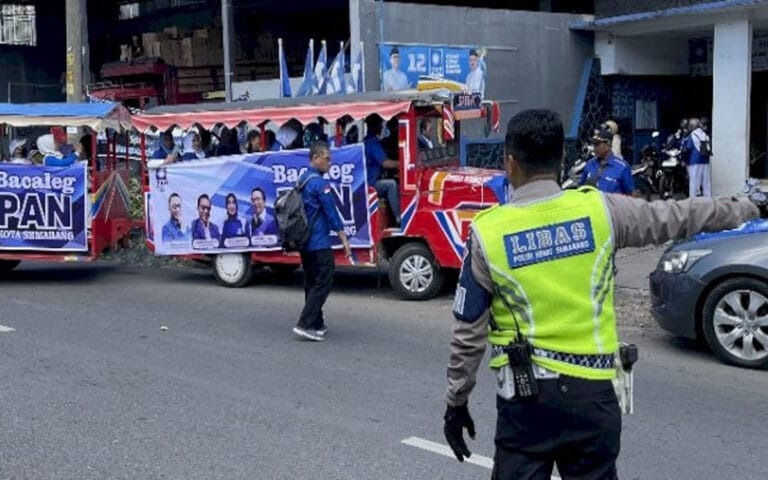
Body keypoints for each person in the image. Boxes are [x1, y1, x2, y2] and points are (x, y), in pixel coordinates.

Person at [443, 108, 760, 480]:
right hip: (594, 398)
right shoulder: (600, 210)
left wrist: (456, 401)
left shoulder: (487, 233)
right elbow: (677, 215)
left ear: (509, 162)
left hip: (526, 405)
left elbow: (468, 333)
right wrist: (744, 207)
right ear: (562, 159)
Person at [292, 141, 353, 342]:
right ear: (315, 158)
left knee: (311, 283)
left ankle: (317, 324)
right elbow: (331, 213)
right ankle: (304, 323)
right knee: (324, 282)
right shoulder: (319, 183)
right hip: (318, 242)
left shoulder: (302, 179)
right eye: (326, 159)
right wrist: (344, 239)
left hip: (304, 242)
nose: (330, 163)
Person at [364, 116, 401, 225]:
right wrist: (401, 163)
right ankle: (399, 217)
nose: (382, 127)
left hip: (372, 178)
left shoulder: (369, 140)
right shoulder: (372, 143)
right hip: (371, 182)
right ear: (375, 127)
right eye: (380, 125)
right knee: (392, 184)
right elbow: (385, 163)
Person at [579, 125, 635, 195]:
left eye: (597, 144)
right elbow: (581, 188)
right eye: (593, 144)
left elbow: (631, 194)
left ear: (608, 145)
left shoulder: (622, 167)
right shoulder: (590, 164)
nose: (594, 148)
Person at [684, 117, 712, 197]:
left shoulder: (692, 135)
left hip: (694, 161)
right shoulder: (705, 134)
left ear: (691, 126)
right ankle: (708, 198)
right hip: (705, 160)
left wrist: (685, 160)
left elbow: (688, 148)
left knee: (694, 181)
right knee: (706, 181)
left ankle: (693, 199)